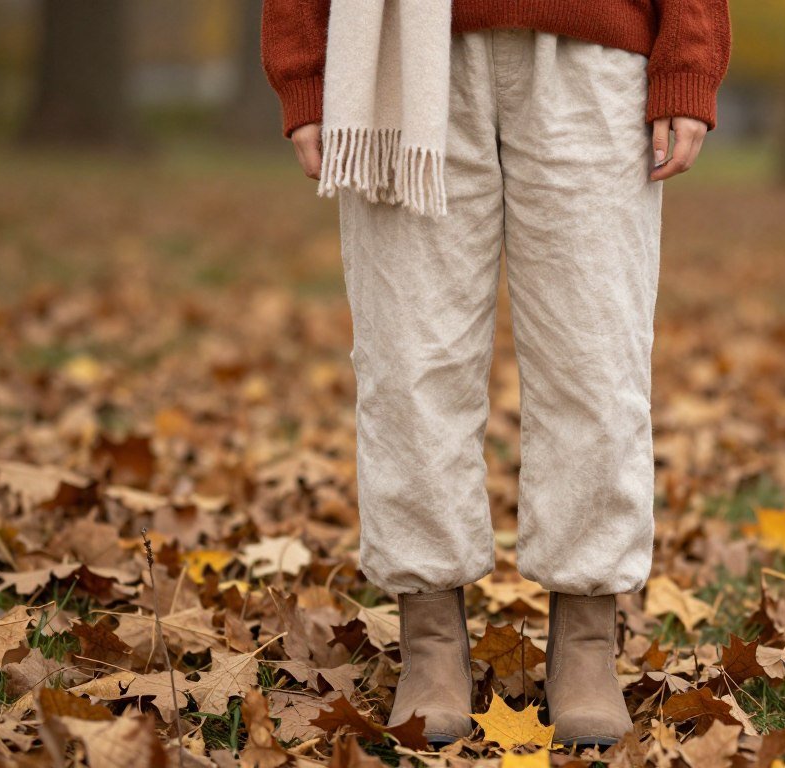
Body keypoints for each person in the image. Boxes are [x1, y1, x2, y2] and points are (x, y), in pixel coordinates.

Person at [261, 0, 731, 748]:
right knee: (408, 361)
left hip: (594, 55)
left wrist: (688, 60)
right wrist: (306, 72)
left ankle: (584, 641)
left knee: (596, 360)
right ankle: (431, 644)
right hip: (400, 60)